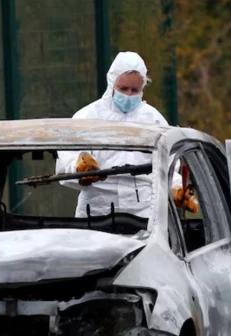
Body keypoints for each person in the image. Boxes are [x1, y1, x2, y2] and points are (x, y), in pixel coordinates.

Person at [56, 51, 198, 218]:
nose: (129, 95)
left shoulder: (154, 120)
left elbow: (167, 166)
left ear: (143, 88)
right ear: (111, 84)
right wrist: (79, 170)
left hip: (145, 213)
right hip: (97, 212)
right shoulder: (87, 118)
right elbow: (68, 160)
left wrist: (175, 189)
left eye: (135, 90)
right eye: (123, 88)